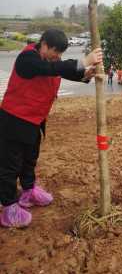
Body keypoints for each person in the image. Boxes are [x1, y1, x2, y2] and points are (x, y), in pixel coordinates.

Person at [0, 29, 102, 228]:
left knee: (30, 159)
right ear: (44, 45)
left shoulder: (49, 62)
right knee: (9, 166)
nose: (58, 57)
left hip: (34, 121)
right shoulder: (27, 59)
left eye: (60, 54)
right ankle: (8, 206)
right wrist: (83, 61)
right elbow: (50, 69)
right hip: (13, 121)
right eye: (55, 52)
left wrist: (84, 74)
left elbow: (59, 71)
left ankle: (28, 192)